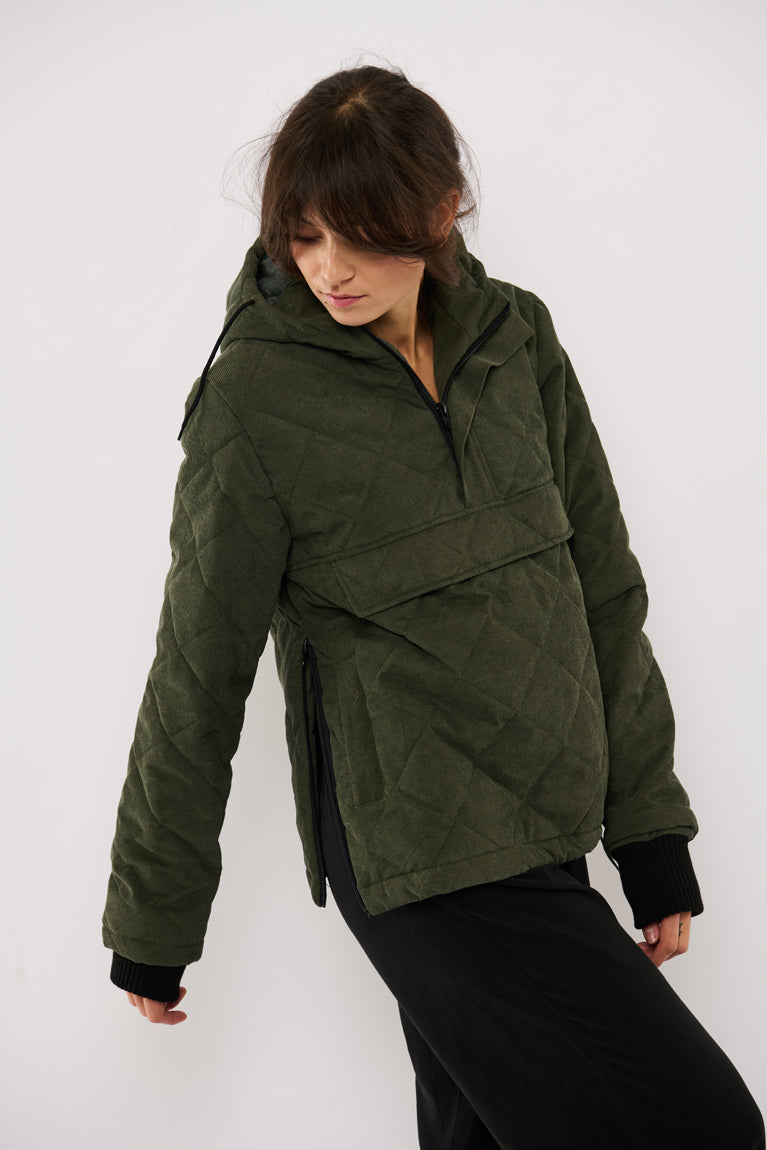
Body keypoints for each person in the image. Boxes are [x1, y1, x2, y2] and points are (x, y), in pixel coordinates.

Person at [103, 65, 764, 1148]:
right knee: (699, 1125)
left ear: (441, 210)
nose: (329, 269)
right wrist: (154, 915)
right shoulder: (254, 399)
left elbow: (601, 586)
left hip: (544, 813)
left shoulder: (516, 338)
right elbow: (197, 669)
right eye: (302, 236)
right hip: (415, 848)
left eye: (361, 237)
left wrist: (646, 829)